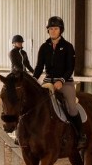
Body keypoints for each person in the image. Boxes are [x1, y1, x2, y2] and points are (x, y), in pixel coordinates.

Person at [32, 16, 86, 149]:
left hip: (65, 82)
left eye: (56, 28)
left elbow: (70, 67)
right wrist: (33, 79)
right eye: (51, 29)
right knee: (34, 103)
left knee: (72, 108)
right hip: (48, 82)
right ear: (48, 30)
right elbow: (39, 67)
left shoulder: (68, 47)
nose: (53, 31)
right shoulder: (44, 47)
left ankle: (81, 136)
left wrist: (61, 81)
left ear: (60, 30)